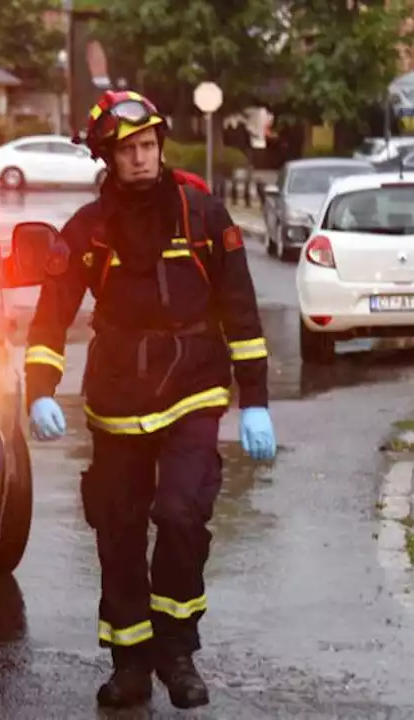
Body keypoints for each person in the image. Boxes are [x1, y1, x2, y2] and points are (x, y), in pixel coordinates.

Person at [24, 90, 277, 709]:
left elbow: (240, 309)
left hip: (193, 388)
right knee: (117, 527)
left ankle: (178, 652)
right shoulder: (89, 230)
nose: (141, 159)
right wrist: (38, 390)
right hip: (116, 397)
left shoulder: (203, 215)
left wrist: (256, 400)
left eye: (148, 146)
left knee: (181, 513)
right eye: (128, 150)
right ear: (108, 157)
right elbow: (52, 313)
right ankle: (130, 661)